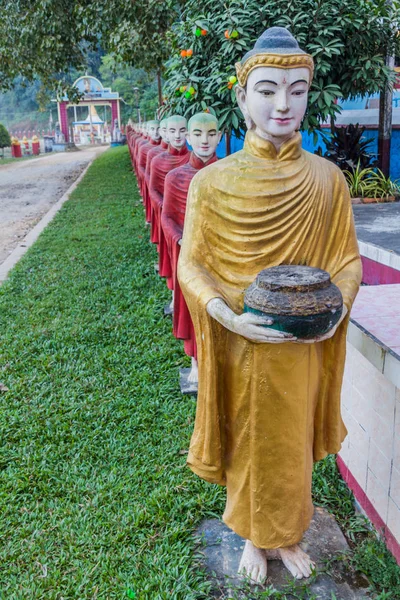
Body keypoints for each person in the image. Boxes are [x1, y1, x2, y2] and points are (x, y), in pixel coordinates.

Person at [178, 27, 362, 583]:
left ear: (309, 93)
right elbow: (192, 263)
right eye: (267, 89)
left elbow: (348, 261)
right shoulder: (211, 184)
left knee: (290, 440)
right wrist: (228, 315)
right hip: (238, 340)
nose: (284, 104)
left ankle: (285, 536)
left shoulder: (328, 182)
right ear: (242, 98)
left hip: (303, 345)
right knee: (246, 437)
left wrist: (331, 313)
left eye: (298, 89)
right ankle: (253, 539)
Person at [162, 113, 221, 384]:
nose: (204, 140)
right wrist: (180, 239)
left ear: (220, 136)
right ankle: (195, 363)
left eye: (211, 133)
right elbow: (168, 216)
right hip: (189, 254)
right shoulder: (176, 177)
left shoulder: (229, 174)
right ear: (188, 137)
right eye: (197, 134)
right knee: (191, 307)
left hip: (223, 255)